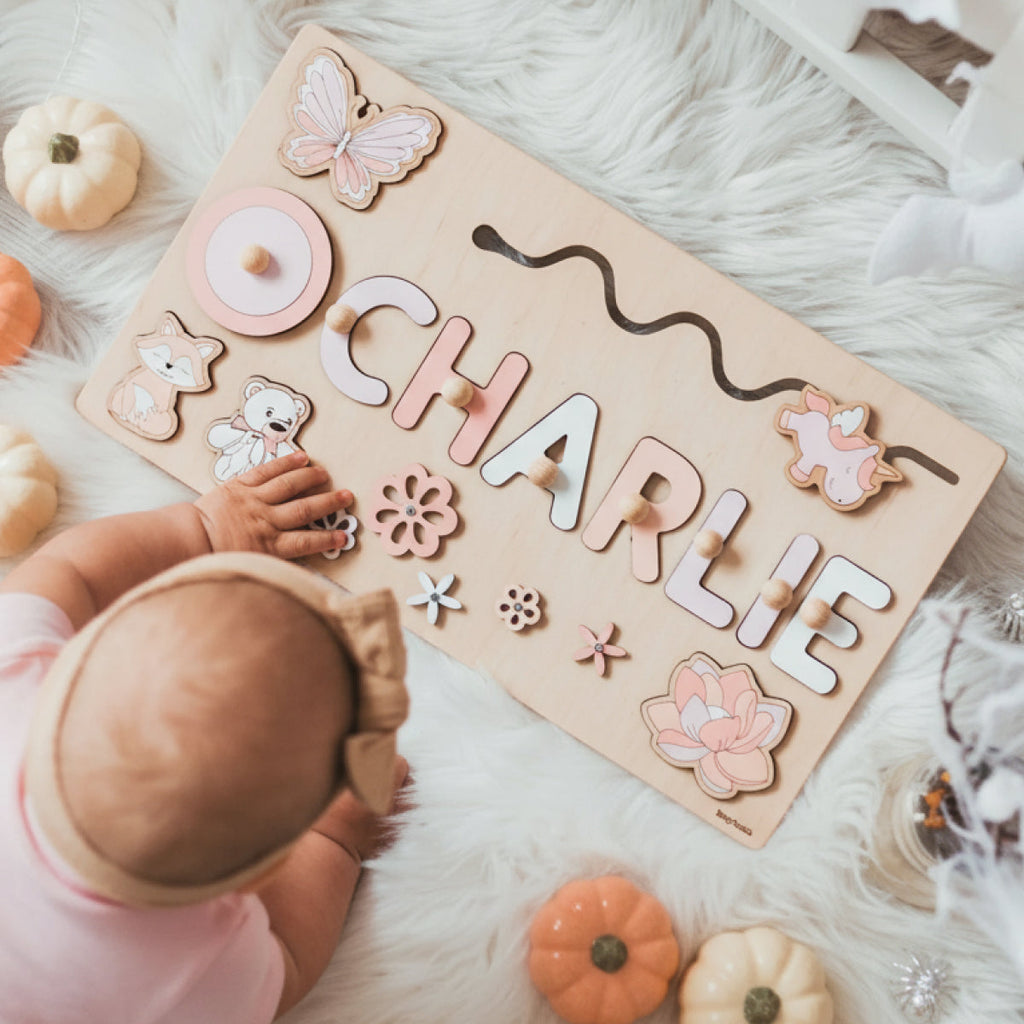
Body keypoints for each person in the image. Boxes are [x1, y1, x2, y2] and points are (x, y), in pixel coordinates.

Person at [0, 450, 410, 1024]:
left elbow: (72, 571)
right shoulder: (196, 977)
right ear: (264, 876)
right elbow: (287, 960)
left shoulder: (10, 673)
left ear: (79, 648)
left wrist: (206, 529)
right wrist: (338, 840)